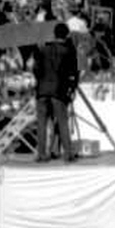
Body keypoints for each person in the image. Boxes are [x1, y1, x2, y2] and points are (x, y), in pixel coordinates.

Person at [32, 24, 77, 162]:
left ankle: (41, 154)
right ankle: (68, 154)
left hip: (42, 90)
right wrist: (72, 89)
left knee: (41, 123)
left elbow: (36, 69)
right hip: (58, 90)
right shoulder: (68, 51)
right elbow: (73, 73)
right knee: (62, 122)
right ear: (67, 35)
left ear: (54, 34)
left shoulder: (43, 49)